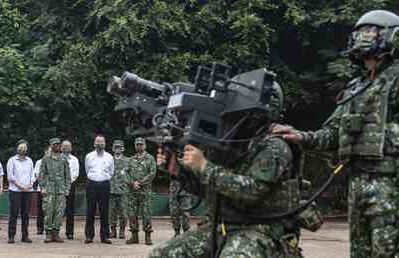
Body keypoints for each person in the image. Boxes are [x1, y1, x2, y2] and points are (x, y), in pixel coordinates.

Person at [271, 10, 399, 258]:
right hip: (358, 185)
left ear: (392, 38)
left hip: (394, 187)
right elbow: (333, 134)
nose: (362, 38)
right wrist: (301, 137)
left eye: (371, 32)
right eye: (359, 33)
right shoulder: (356, 88)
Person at [148, 72, 307, 258]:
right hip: (222, 227)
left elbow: (251, 192)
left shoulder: (274, 146)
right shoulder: (229, 143)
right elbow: (208, 190)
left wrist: (204, 166)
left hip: (262, 230)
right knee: (160, 255)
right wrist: (178, 171)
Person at [39, 138, 71, 243]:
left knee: (59, 212)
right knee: (48, 211)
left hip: (61, 190)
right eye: (54, 144)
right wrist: (42, 187)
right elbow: (41, 175)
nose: (57, 146)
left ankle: (56, 233)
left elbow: (68, 175)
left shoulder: (64, 159)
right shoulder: (45, 159)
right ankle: (48, 233)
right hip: (49, 190)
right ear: (51, 145)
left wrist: (67, 188)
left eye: (58, 144)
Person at [126, 137, 156, 245]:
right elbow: (126, 174)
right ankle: (134, 236)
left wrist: (140, 183)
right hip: (132, 192)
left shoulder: (150, 158)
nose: (139, 146)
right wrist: (132, 183)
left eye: (141, 144)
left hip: (145, 192)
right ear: (135, 145)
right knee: (132, 214)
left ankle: (148, 237)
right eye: (137, 144)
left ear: (145, 145)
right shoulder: (130, 159)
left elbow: (152, 174)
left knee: (146, 214)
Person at [84, 135, 114, 244]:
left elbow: (111, 172)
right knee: (90, 211)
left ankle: (105, 236)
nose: (99, 144)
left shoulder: (110, 157)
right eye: (97, 142)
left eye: (101, 142)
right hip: (91, 185)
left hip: (105, 186)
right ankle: (89, 236)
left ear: (105, 144)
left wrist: (103, 180)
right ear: (94, 143)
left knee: (104, 211)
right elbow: (87, 170)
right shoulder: (89, 156)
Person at [6, 140, 35, 243]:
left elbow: (33, 174)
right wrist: (22, 187)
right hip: (15, 191)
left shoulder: (30, 160)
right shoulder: (12, 160)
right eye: (21, 147)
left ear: (27, 149)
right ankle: (11, 236)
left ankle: (25, 236)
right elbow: (11, 177)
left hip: (28, 191)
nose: (23, 149)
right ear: (17, 148)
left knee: (26, 214)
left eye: (24, 148)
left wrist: (31, 184)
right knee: (13, 214)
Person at [109, 140, 128, 239]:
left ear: (123, 149)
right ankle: (113, 230)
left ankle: (122, 230)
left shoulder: (127, 160)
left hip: (123, 190)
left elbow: (131, 175)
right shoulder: (109, 160)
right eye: (116, 147)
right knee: (111, 212)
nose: (118, 149)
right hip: (111, 190)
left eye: (120, 147)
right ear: (113, 148)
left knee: (123, 212)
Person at [62, 140, 80, 240]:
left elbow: (75, 173)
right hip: (58, 186)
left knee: (70, 210)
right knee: (56, 209)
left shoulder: (74, 160)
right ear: (61, 148)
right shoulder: (57, 158)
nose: (66, 148)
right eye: (64, 146)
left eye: (68, 146)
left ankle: (69, 232)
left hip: (70, 185)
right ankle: (53, 231)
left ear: (71, 148)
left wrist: (67, 182)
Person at [33, 145, 50, 235]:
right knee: (41, 210)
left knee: (51, 210)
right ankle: (40, 228)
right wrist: (43, 187)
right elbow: (37, 175)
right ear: (45, 152)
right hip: (42, 189)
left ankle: (50, 228)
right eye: (48, 151)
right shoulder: (39, 162)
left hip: (53, 190)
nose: (49, 153)